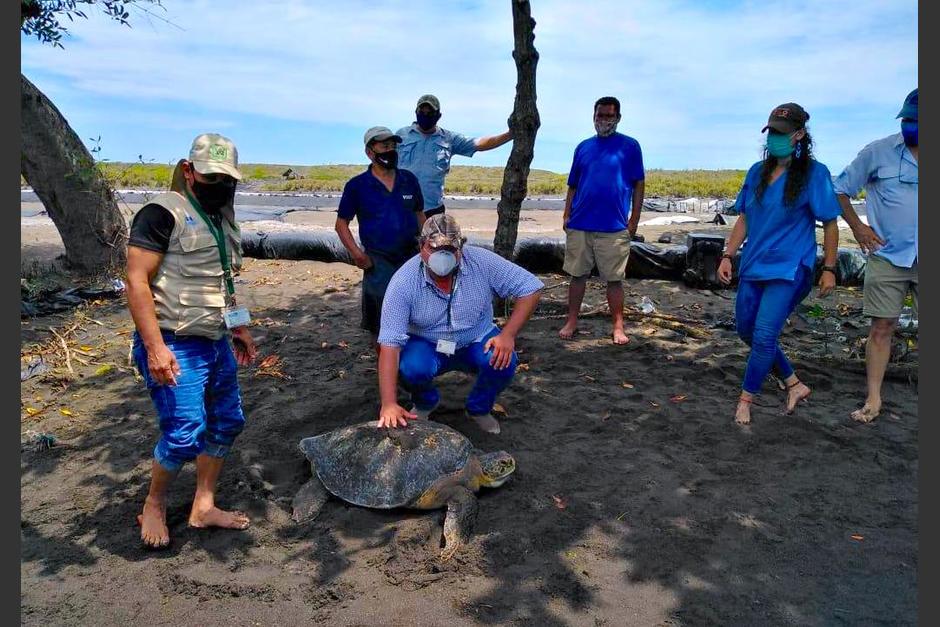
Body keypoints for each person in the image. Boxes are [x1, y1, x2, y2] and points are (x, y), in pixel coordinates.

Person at [125, 133, 258, 548]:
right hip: (174, 341)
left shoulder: (221, 218)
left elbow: (220, 279)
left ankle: (203, 504)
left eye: (227, 179)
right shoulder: (161, 213)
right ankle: (154, 504)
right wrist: (155, 348)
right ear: (188, 170)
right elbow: (136, 281)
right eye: (211, 177)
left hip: (215, 339)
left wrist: (238, 327)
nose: (220, 185)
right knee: (184, 432)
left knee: (228, 421)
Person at [717, 103, 841, 425]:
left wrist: (829, 269)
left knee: (764, 334)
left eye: (782, 133)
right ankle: (794, 384)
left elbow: (830, 224)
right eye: (771, 131)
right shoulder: (756, 172)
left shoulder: (815, 174)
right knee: (747, 330)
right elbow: (744, 218)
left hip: (790, 267)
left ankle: (745, 401)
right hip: (754, 264)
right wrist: (728, 255)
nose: (774, 137)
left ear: (799, 135)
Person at [376, 214, 543, 434]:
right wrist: (388, 403)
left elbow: (531, 287)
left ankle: (479, 409)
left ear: (461, 248)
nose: (442, 256)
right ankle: (425, 402)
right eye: (434, 249)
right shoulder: (403, 281)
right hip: (427, 342)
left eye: (450, 250)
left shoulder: (481, 261)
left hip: (476, 338)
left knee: (503, 360)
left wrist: (508, 334)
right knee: (411, 368)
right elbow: (389, 343)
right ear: (421, 246)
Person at [833, 89, 918, 423]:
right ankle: (873, 398)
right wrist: (857, 227)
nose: (911, 125)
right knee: (882, 327)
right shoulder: (877, 152)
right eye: (908, 119)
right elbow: (840, 190)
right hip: (887, 255)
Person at [558, 96, 646, 344]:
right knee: (577, 276)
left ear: (618, 118)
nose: (604, 120)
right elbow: (573, 184)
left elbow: (639, 184)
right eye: (600, 115)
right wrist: (566, 214)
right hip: (580, 223)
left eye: (609, 116)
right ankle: (572, 321)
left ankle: (618, 326)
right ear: (593, 116)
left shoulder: (630, 146)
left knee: (614, 279)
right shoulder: (583, 147)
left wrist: (634, 220)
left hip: (614, 226)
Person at [336, 126, 427, 347]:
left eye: (393, 146)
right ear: (370, 152)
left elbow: (420, 215)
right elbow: (341, 225)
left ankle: (409, 359)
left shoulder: (409, 180)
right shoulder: (357, 186)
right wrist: (358, 255)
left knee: (415, 313)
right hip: (378, 262)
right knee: (380, 318)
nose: (390, 151)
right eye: (385, 146)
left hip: (410, 258)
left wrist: (428, 245)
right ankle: (384, 361)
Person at [397, 94, 513, 217]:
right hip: (402, 208)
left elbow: (479, 144)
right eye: (422, 112)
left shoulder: (448, 139)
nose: (425, 115)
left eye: (430, 113)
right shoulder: (401, 135)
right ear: (416, 112)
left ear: (438, 116)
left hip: (433, 211)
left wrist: (509, 135)